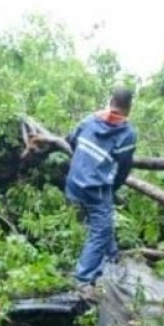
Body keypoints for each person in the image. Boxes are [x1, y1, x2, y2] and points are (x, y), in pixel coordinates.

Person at [65, 86, 138, 286]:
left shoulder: (90, 120)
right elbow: (123, 168)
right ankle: (83, 280)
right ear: (129, 107)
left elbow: (71, 140)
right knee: (101, 230)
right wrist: (113, 188)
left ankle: (111, 259)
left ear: (111, 101)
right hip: (94, 187)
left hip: (74, 181)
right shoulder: (127, 133)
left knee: (102, 222)